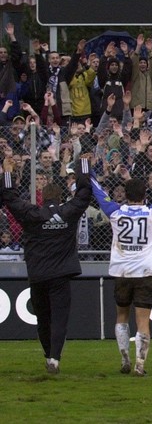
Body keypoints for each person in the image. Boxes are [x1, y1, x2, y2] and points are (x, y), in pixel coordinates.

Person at [91, 165, 152, 376]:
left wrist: (89, 175)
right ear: (145, 194)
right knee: (143, 320)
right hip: (145, 273)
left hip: (122, 272)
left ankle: (124, 358)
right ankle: (140, 365)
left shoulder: (115, 211)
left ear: (125, 195)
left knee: (121, 316)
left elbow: (99, 194)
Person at [0, 158, 92, 374]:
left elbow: (10, 198)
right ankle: (55, 358)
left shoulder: (32, 214)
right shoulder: (68, 213)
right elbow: (84, 194)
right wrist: (84, 165)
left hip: (38, 275)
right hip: (60, 275)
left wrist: (7, 172)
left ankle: (47, 352)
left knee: (43, 318)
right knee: (59, 318)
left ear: (43, 199)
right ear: (60, 198)